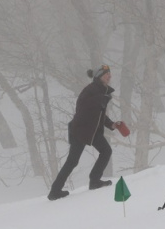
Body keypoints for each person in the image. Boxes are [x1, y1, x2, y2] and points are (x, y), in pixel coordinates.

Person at [48, 65, 130, 201]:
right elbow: (82, 108)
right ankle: (54, 191)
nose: (109, 76)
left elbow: (100, 114)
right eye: (106, 74)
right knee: (72, 161)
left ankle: (95, 181)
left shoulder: (102, 91)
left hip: (93, 131)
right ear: (99, 76)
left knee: (106, 151)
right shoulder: (90, 90)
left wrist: (112, 124)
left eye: (110, 73)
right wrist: (100, 99)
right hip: (80, 131)